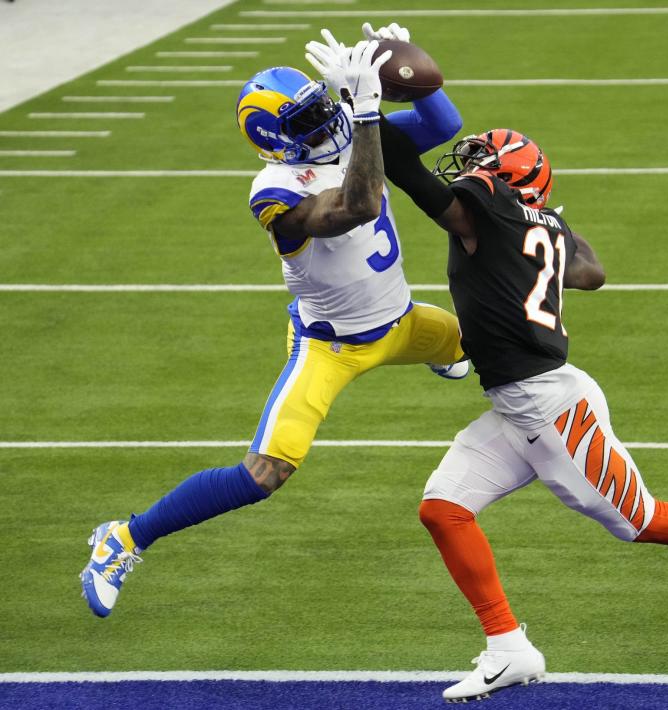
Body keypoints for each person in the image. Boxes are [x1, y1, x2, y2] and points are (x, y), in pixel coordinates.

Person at [377, 113, 668, 700]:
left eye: (484, 160)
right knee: (443, 509)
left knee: (642, 521)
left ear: (508, 180)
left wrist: (365, 109)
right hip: (521, 404)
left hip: (551, 409)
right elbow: (593, 273)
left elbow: (410, 175)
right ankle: (509, 646)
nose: (472, 168)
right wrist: (548, 224)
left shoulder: (494, 211)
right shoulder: (539, 225)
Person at [79, 25, 470, 618]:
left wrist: (410, 72)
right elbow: (357, 204)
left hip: (403, 322)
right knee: (265, 472)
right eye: (309, 121)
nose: (326, 123)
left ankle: (446, 352)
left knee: (501, 343)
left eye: (323, 108)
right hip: (331, 346)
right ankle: (125, 537)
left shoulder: (346, 137)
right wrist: (364, 114)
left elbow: (443, 127)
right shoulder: (277, 190)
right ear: (275, 144)